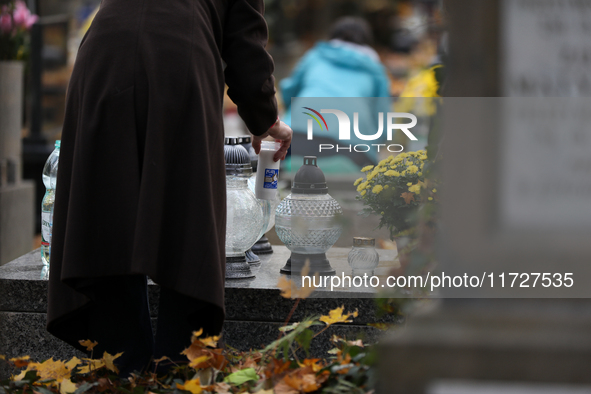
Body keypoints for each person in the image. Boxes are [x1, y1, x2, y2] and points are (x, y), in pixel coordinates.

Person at [47, 0, 292, 377]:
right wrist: (266, 120)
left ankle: (123, 364)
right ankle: (180, 365)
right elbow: (245, 45)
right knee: (185, 201)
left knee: (109, 200)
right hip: (179, 57)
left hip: (104, 51)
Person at [280, 17, 391, 173]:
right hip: (351, 146)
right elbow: (382, 120)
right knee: (359, 190)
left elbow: (289, 90)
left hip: (297, 135)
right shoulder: (376, 71)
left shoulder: (315, 56)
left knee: (282, 179)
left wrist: (289, 115)